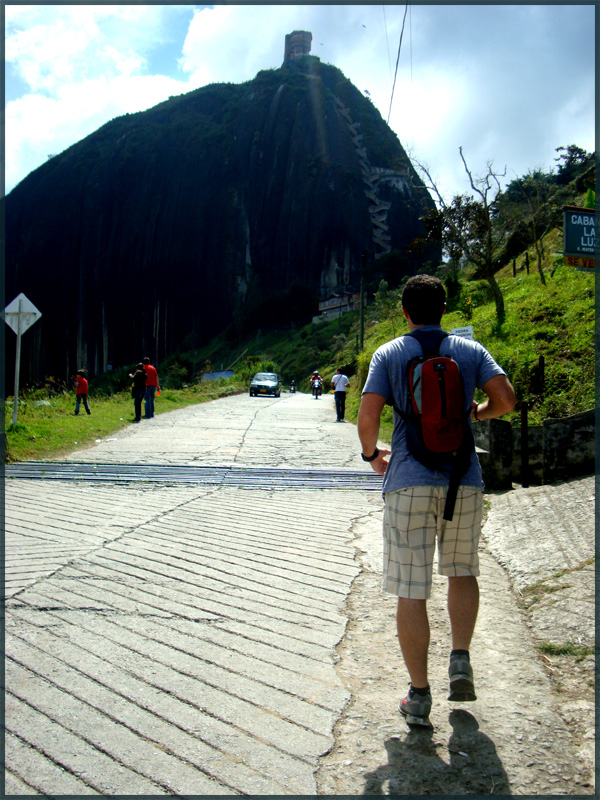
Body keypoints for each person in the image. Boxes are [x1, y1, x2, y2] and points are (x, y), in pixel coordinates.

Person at [357, 274, 515, 727]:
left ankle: (419, 696)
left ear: (404, 311)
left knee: (411, 589)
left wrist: (372, 456)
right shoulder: (469, 351)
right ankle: (460, 659)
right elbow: (505, 399)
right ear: (443, 309)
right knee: (462, 569)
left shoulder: (389, 353)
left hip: (408, 478)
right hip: (463, 479)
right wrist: (477, 412)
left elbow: (368, 417)